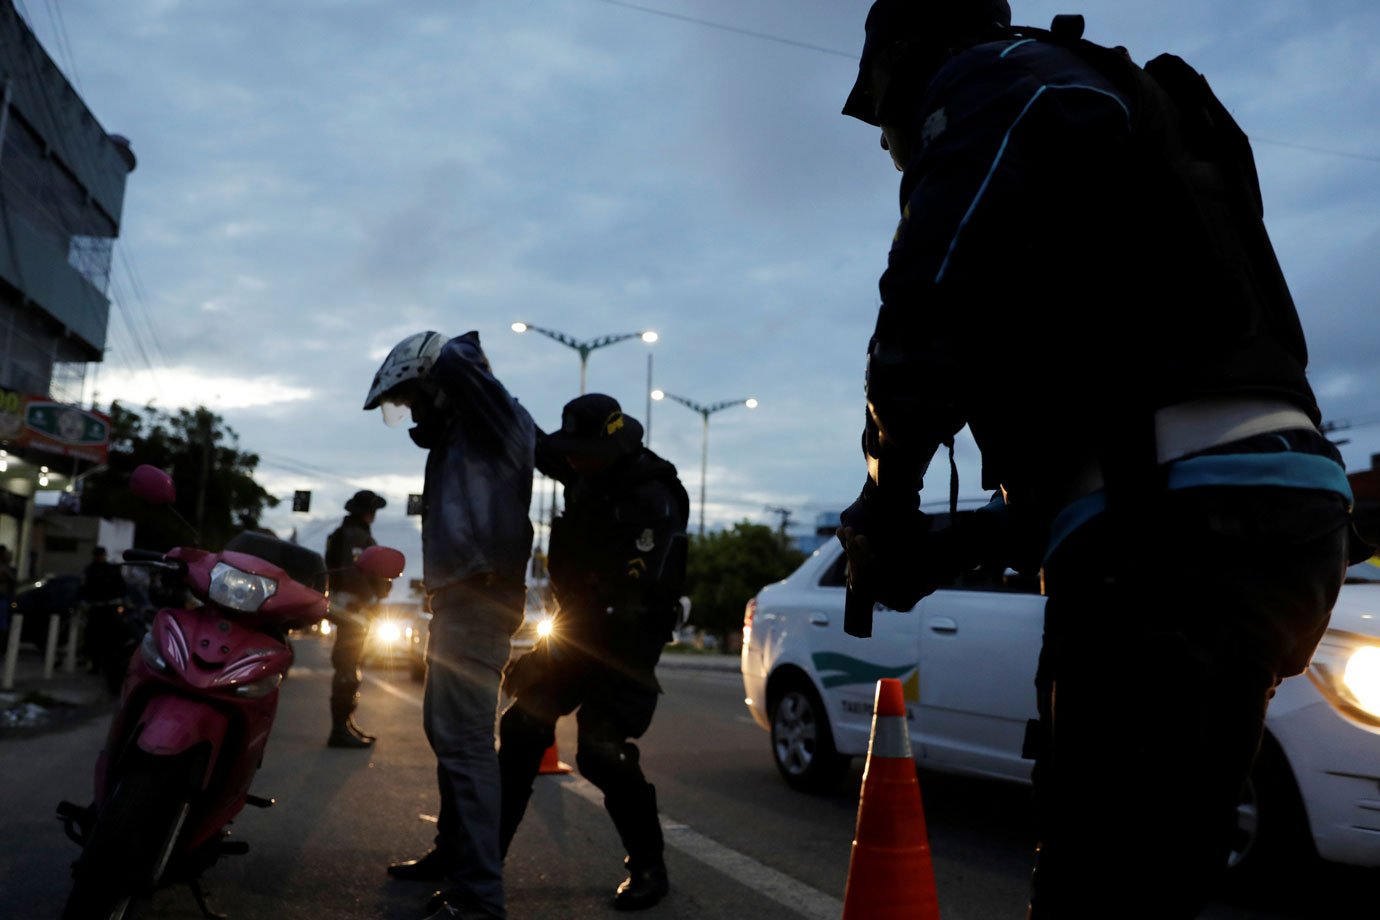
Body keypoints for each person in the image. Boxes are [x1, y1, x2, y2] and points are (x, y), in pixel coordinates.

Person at [835, 3, 1369, 918]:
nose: (892, 153)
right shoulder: (1135, 114)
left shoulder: (993, 78)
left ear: (906, 67)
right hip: (1277, 511)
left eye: (885, 125)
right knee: (1163, 871)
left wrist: (885, 501)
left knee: (1096, 881)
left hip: (1167, 537)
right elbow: (1122, 442)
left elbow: (924, 314)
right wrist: (950, 542)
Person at [365, 330, 535, 920]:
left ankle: (480, 897)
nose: (412, 413)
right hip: (460, 597)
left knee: (463, 743)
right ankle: (453, 854)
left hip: (480, 593)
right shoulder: (465, 436)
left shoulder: (494, 416)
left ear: (440, 382)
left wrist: (442, 354)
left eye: (414, 398)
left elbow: (462, 362)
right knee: (450, 736)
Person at [497, 394, 689, 912]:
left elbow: (626, 601)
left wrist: (547, 657)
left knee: (601, 751)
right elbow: (537, 444)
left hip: (623, 640)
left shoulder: (652, 496)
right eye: (572, 452)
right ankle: (483, 862)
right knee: (520, 730)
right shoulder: (587, 468)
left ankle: (648, 866)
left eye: (583, 451)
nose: (573, 460)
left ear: (611, 446)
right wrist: (488, 389)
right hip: (580, 629)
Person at [324, 489, 391, 749]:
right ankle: (339, 729)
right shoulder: (356, 536)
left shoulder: (342, 534)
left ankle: (345, 723)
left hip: (349, 609)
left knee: (349, 666)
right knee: (347, 668)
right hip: (354, 610)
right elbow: (356, 577)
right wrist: (372, 598)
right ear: (367, 512)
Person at [80, 546, 128, 675]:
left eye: (101, 555)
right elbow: (84, 589)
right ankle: (95, 664)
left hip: (109, 609)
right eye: (98, 555)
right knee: (93, 638)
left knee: (110, 639)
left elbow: (121, 587)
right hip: (96, 609)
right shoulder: (90, 570)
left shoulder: (111, 570)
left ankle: (108, 665)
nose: (100, 558)